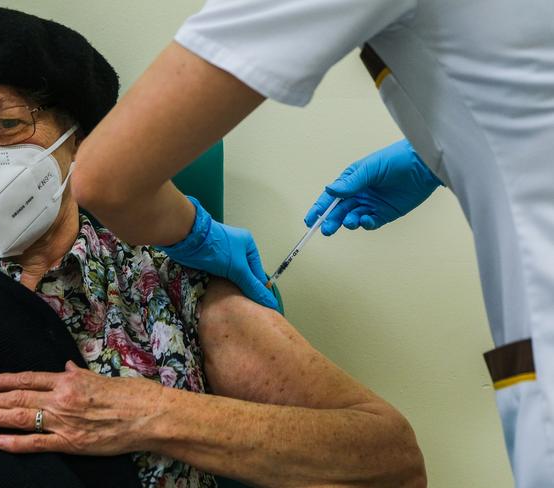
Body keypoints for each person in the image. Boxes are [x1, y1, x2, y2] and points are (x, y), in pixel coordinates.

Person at [0, 7, 426, 488]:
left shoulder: (174, 286)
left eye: (6, 125)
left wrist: (150, 414)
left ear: (77, 142)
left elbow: (391, 461)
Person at [70, 1, 554, 486]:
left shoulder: (175, 290)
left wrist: (200, 235)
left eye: (8, 125)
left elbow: (106, 180)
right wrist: (434, 154)